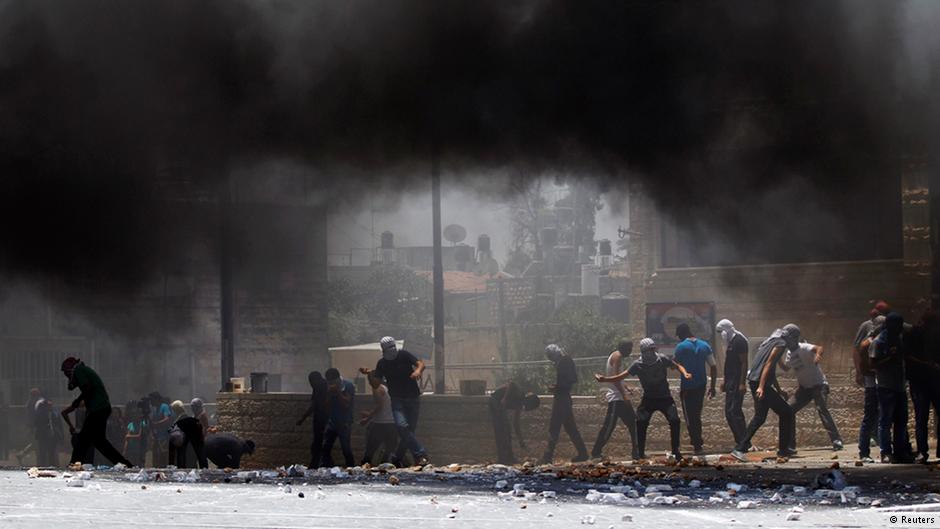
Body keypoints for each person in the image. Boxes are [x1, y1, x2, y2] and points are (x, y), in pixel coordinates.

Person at [596, 338, 689, 460]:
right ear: (643, 351)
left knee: (675, 420)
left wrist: (685, 373)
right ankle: (640, 453)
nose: (650, 353)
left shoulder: (662, 359)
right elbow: (621, 376)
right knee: (640, 422)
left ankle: (676, 451)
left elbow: (677, 366)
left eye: (652, 350)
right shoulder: (638, 364)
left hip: (665, 398)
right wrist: (605, 380)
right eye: (647, 351)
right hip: (649, 399)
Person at [730, 325, 799, 462]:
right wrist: (761, 387)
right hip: (760, 383)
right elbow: (768, 365)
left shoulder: (771, 341)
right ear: (791, 336)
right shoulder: (781, 344)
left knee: (760, 417)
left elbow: (771, 369)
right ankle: (783, 450)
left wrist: (778, 390)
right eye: (795, 337)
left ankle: (740, 448)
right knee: (786, 412)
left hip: (756, 381)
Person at [359, 336, 429, 466]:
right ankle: (420, 455)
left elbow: (420, 363)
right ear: (383, 350)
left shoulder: (403, 355)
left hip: (413, 397)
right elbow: (376, 383)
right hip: (397, 399)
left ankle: (397, 458)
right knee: (402, 426)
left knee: (408, 431)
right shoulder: (382, 363)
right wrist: (369, 374)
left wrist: (418, 371)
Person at [59, 357, 134, 467]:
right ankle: (124, 463)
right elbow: (85, 388)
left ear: (69, 369)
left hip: (98, 409)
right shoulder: (83, 370)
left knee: (83, 438)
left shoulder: (79, 370)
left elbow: (87, 388)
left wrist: (77, 401)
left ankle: (74, 463)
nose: (66, 376)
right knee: (99, 442)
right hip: (102, 408)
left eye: (66, 373)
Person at [781, 336, 843, 451]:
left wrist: (818, 355)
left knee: (822, 410)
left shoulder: (803, 347)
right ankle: (790, 444)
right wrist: (777, 359)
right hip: (804, 388)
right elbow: (786, 368)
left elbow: (819, 348)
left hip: (819, 385)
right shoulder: (789, 353)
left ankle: (836, 440)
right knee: (789, 409)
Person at [869, 312, 914, 463]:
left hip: (899, 386)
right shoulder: (879, 342)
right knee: (885, 421)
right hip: (885, 386)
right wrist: (889, 356)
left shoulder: (899, 338)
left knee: (901, 420)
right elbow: (873, 364)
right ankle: (886, 453)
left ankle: (900, 451)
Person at [590, 340, 638, 460]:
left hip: (619, 397)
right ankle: (596, 452)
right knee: (609, 427)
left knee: (633, 424)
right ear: (625, 348)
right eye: (630, 349)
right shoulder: (618, 357)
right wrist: (624, 395)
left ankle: (636, 452)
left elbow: (618, 378)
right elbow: (616, 380)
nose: (630, 351)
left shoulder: (616, 355)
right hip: (616, 399)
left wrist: (626, 388)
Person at [672, 324, 717, 455]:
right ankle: (698, 442)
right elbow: (713, 366)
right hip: (701, 386)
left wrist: (674, 364)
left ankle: (697, 444)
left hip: (687, 387)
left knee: (689, 416)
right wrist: (712, 386)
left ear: (681, 334)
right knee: (696, 414)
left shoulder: (681, 347)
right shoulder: (705, 345)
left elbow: (674, 364)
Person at [540, 344, 589, 464]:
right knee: (571, 428)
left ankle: (547, 456)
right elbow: (570, 381)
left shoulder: (563, 363)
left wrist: (555, 388)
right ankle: (583, 453)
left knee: (554, 427)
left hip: (561, 399)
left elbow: (566, 384)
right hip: (565, 398)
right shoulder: (566, 361)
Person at [907, 310, 940, 463]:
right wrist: (927, 364)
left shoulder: (934, 336)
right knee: (921, 417)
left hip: (931, 380)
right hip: (921, 380)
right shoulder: (915, 334)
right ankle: (922, 451)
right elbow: (908, 355)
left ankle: (923, 452)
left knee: (922, 418)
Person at [716, 319, 750, 451]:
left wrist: (742, 383)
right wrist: (724, 380)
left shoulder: (739, 341)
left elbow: (744, 362)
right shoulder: (729, 342)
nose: (721, 334)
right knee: (729, 412)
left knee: (734, 411)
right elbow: (727, 362)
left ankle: (744, 442)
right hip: (730, 380)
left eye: (722, 331)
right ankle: (740, 441)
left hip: (737, 380)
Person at [488, 380, 540, 465]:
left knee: (507, 430)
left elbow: (516, 424)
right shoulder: (520, 393)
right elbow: (512, 383)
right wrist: (504, 398)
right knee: (501, 430)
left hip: (501, 407)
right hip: (495, 401)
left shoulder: (519, 405)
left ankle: (509, 457)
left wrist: (521, 441)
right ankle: (502, 458)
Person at [360, 372, 401, 466]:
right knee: (389, 450)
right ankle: (385, 467)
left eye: (371, 379)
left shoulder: (377, 389)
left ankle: (364, 467)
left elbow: (379, 406)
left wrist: (367, 418)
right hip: (391, 423)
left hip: (380, 424)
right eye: (369, 380)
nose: (370, 382)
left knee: (370, 450)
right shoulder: (385, 388)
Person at [321, 368, 356, 468]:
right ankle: (327, 465)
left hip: (344, 422)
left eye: (332, 382)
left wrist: (338, 392)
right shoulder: (327, 386)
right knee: (325, 448)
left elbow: (346, 404)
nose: (331, 383)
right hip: (332, 421)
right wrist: (329, 393)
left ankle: (351, 467)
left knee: (346, 449)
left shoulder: (348, 385)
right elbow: (325, 406)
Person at [297, 371, 330, 468]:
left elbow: (314, 405)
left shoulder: (319, 386)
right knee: (321, 443)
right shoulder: (324, 384)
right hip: (325, 417)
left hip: (321, 418)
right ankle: (321, 463)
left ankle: (316, 464)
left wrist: (303, 418)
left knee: (318, 443)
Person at [34, 397, 63, 467]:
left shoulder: (55, 413)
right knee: (42, 451)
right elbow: (37, 423)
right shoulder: (41, 413)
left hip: (53, 435)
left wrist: (61, 434)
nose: (50, 407)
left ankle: (52, 464)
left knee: (52, 451)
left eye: (51, 405)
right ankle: (42, 465)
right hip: (43, 435)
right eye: (48, 405)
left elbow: (59, 424)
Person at [148, 392, 173, 467]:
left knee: (163, 456)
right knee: (156, 456)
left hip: (164, 436)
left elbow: (167, 418)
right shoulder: (155, 409)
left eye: (152, 400)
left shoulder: (164, 406)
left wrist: (157, 423)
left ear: (157, 399)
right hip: (157, 436)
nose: (151, 402)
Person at [123, 399, 150, 466]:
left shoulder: (142, 424)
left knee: (139, 464)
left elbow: (139, 436)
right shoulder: (130, 424)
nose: (135, 416)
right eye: (133, 414)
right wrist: (125, 449)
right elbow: (127, 438)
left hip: (140, 448)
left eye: (136, 414)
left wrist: (129, 436)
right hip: (132, 448)